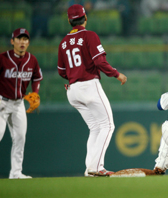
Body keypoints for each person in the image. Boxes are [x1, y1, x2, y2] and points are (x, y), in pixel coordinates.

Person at [57, 4, 127, 177]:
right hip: (89, 86)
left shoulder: (63, 43)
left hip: (72, 90)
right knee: (108, 126)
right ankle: (97, 167)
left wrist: (74, 76)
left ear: (69, 20)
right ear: (85, 18)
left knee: (95, 128)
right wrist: (117, 74)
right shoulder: (89, 35)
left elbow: (61, 71)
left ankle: (90, 168)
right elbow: (100, 62)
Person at [0, 28, 43, 179]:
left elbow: (37, 77)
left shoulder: (32, 60)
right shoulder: (1, 58)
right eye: (19, 39)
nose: (22, 42)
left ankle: (16, 172)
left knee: (21, 136)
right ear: (12, 41)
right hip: (1, 102)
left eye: (25, 39)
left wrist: (35, 92)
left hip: (19, 103)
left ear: (28, 42)